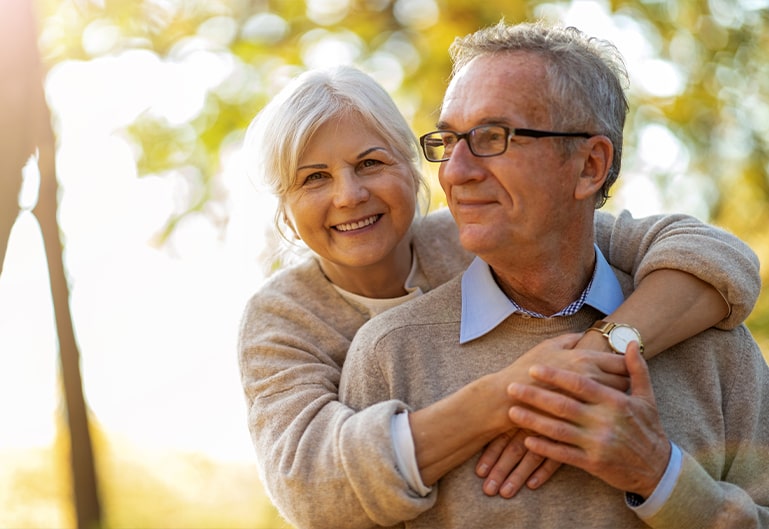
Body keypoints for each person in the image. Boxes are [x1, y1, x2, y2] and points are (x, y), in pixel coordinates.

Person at [238, 66, 762, 529]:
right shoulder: (285, 320)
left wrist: (597, 355)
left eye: (371, 164)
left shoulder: (481, 233)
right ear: (285, 205)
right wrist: (514, 395)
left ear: (411, 166)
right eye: (314, 178)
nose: (348, 195)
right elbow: (312, 485)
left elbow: (711, 255)